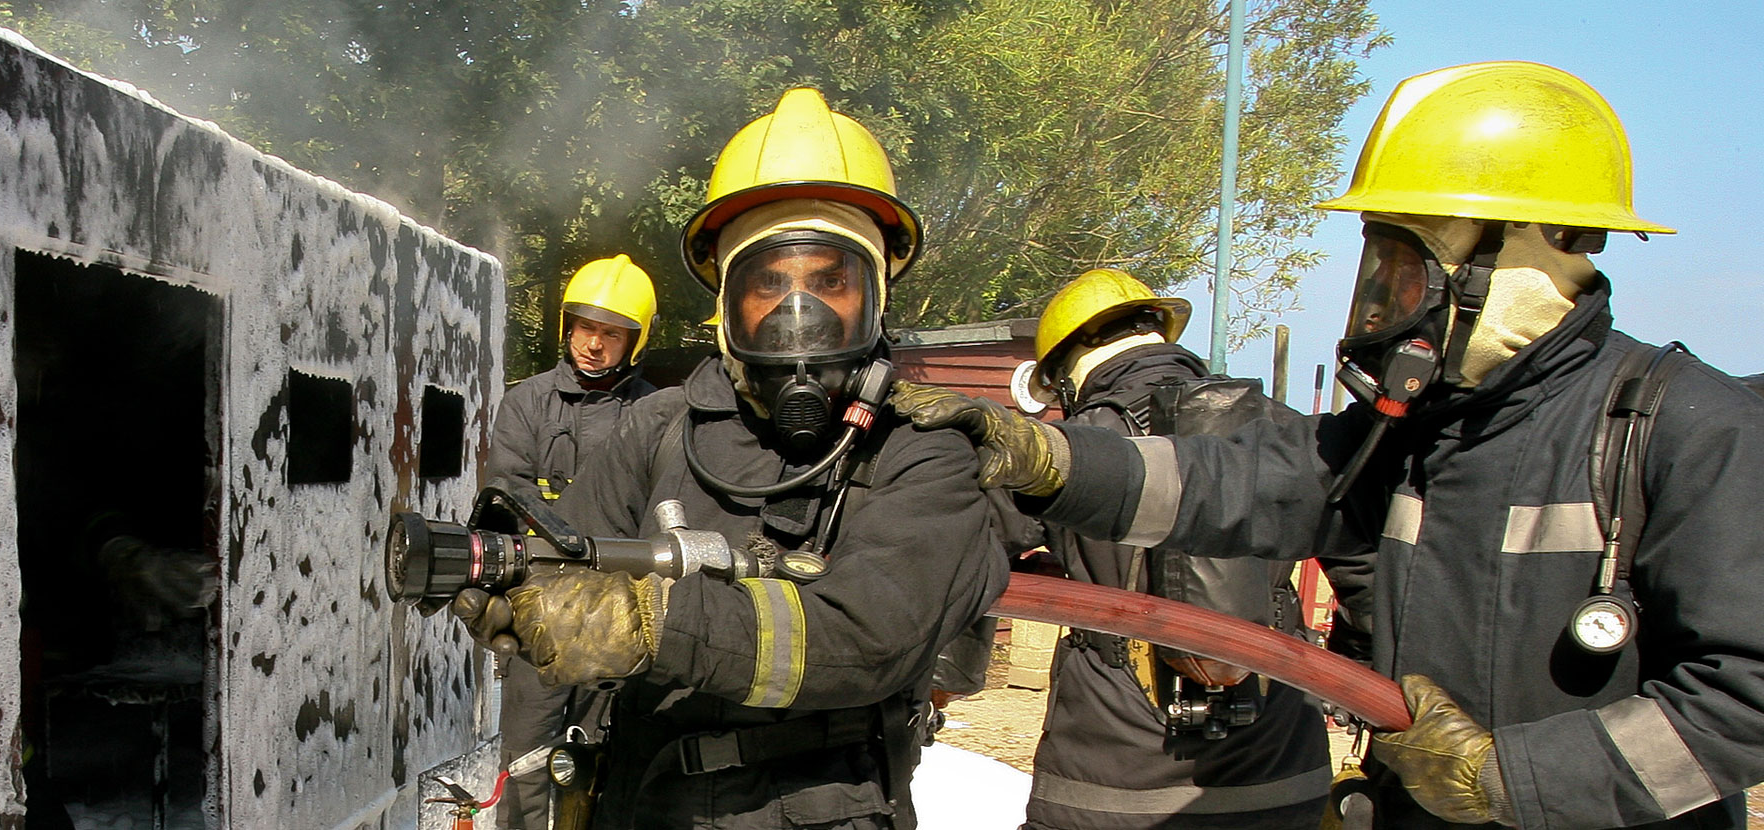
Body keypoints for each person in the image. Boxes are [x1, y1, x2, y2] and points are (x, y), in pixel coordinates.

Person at [893, 61, 1764, 829]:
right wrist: (1056, 461)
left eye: (1408, 267)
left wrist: (1513, 781)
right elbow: (1237, 483)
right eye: (1377, 267)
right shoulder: (1410, 433)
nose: (1383, 302)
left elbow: (1746, 701)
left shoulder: (1684, 429)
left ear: (1541, 251)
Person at [457, 87, 1007, 830]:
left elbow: (871, 637)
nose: (796, 313)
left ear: (877, 293)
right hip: (643, 799)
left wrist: (651, 623)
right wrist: (526, 793)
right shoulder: (656, 429)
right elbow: (555, 602)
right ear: (727, 296)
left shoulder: (922, 445)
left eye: (829, 282)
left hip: (825, 807)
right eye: (769, 283)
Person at [1019, 268, 1333, 830]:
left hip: (1109, 783)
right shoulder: (1282, 430)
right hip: (1282, 767)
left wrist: (944, 681)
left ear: (1068, 370)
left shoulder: (1068, 449)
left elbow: (966, 554)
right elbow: (1368, 556)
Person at [485, 253, 658, 829]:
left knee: (602, 753)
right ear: (567, 328)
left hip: (617, 611)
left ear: (635, 342)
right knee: (529, 752)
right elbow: (505, 496)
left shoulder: (656, 414)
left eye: (612, 334)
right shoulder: (527, 402)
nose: (594, 345)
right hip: (540, 606)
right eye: (586, 328)